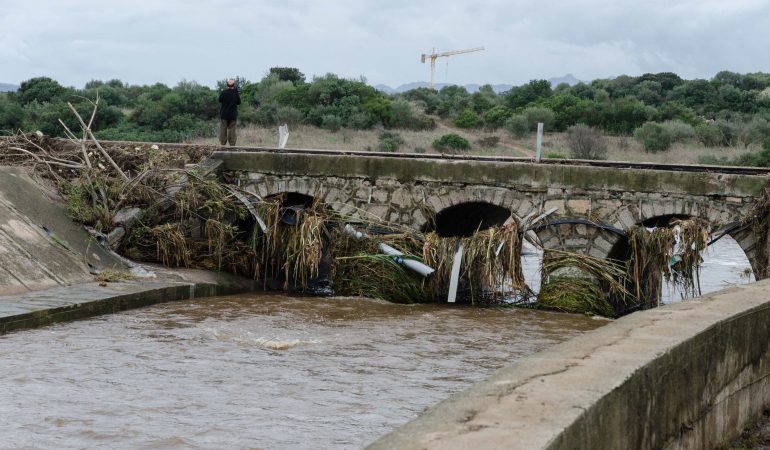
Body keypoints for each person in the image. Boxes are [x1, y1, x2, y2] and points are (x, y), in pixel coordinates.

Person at [218, 79, 241, 146]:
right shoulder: (235, 93)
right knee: (232, 131)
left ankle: (222, 144)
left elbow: (220, 100)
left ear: (227, 84)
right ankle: (232, 145)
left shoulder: (223, 92)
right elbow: (239, 102)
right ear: (234, 85)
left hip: (224, 115)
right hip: (232, 115)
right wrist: (238, 94)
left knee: (223, 130)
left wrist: (222, 92)